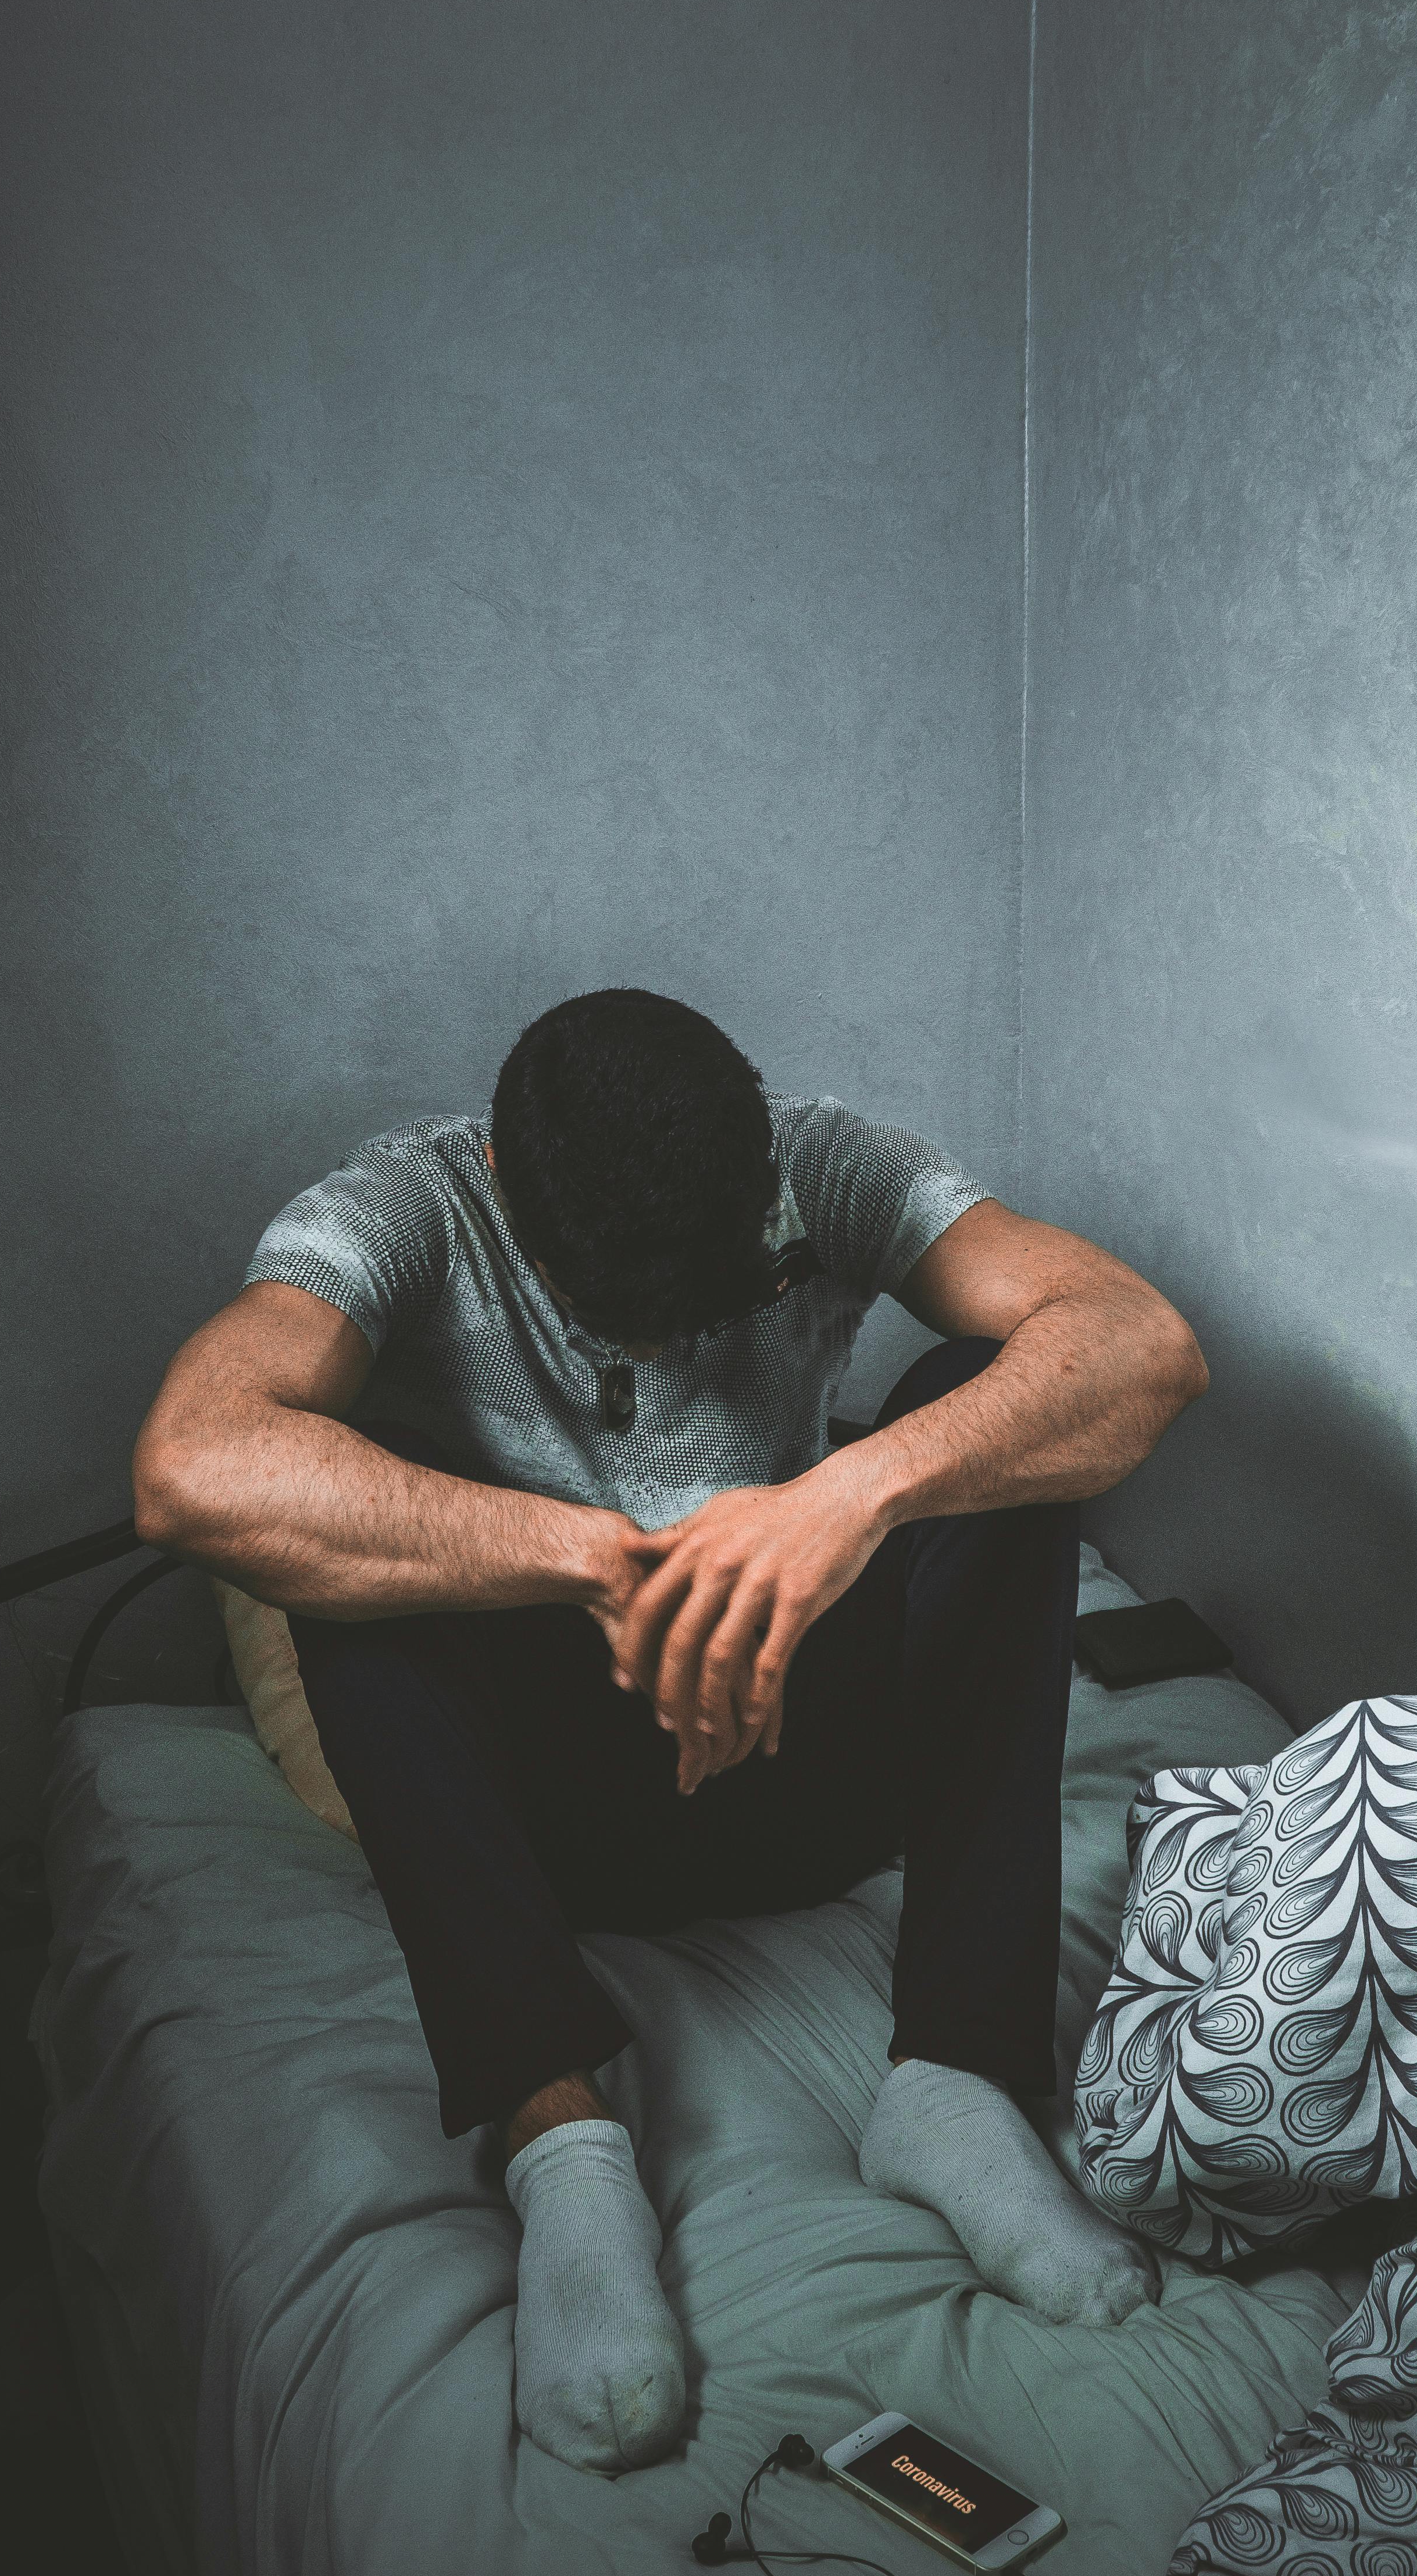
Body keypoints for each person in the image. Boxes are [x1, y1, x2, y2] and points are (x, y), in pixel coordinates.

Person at [133, 989, 1207, 2474]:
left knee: (993, 1414)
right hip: (554, 1823)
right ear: (504, 1182)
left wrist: (848, 1494)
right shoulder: (399, 1206)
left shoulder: (827, 1163)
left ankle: (953, 2082)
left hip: (806, 1761)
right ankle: (559, 2142)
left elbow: (1141, 1346)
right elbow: (191, 1466)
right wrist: (596, 1561)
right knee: (331, 1510)